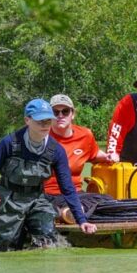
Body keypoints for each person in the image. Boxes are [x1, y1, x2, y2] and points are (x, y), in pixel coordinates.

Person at [0, 99, 97, 251]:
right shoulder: (9, 143)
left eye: (48, 121)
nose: (45, 126)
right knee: (6, 247)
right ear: (27, 120)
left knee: (48, 241)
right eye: (40, 121)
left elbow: (68, 189)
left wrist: (82, 220)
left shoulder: (56, 150)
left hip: (37, 199)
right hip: (9, 199)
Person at [44, 94, 113, 222]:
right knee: (42, 203)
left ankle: (69, 212)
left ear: (73, 114)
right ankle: (67, 212)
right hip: (49, 193)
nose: (60, 116)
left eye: (65, 111)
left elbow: (94, 154)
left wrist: (108, 157)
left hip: (76, 193)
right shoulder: (41, 135)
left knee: (108, 200)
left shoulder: (85, 135)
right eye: (55, 112)